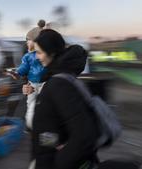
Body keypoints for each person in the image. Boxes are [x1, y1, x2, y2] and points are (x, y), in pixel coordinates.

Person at [23, 29, 99, 169]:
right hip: (46, 156)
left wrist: (57, 163)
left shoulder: (59, 83)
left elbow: (84, 135)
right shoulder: (56, 78)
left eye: (39, 52)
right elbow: (53, 127)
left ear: (51, 53)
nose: (37, 57)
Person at [8, 20, 47, 129]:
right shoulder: (30, 56)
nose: (26, 43)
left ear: (35, 42)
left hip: (41, 83)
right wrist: (18, 72)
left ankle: (34, 124)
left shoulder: (32, 56)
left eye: (28, 40)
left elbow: (24, 68)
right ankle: (32, 124)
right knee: (32, 103)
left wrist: (17, 72)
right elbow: (24, 68)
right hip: (35, 83)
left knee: (36, 104)